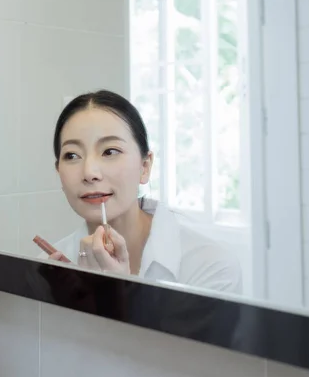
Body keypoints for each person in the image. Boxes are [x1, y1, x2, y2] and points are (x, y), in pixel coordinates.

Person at [39, 90, 242, 294]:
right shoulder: (50, 268)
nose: (90, 172)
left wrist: (114, 295)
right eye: (72, 155)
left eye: (110, 151)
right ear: (59, 172)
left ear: (144, 167)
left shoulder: (212, 266)